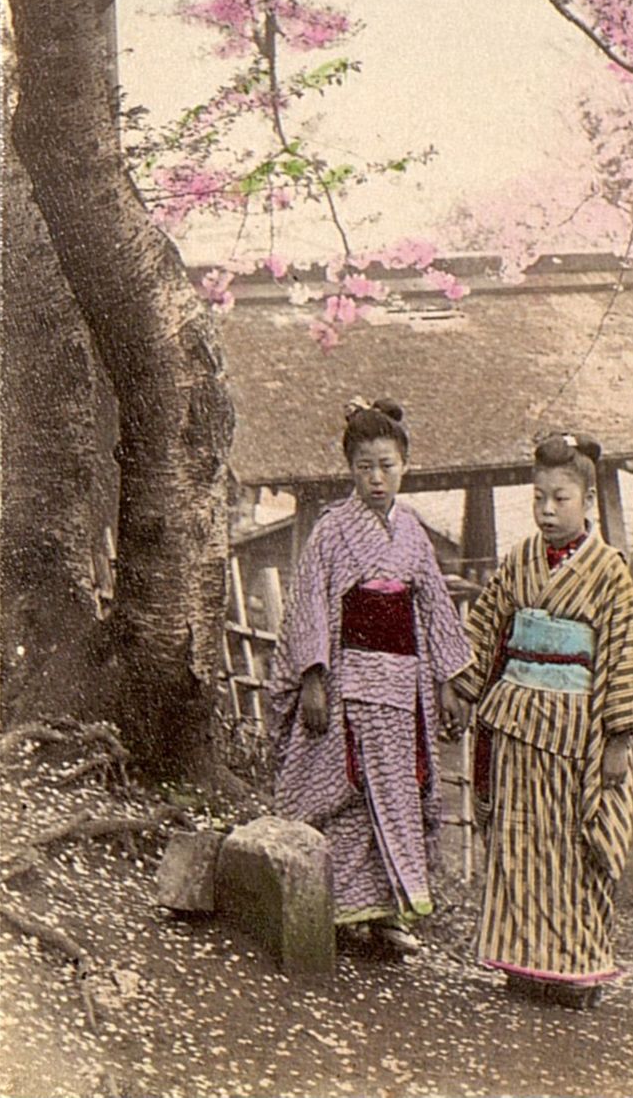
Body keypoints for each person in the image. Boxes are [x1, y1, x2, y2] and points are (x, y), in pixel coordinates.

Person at [456, 432, 633, 1007]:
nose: (546, 510)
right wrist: (462, 691)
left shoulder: (610, 571)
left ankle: (574, 970)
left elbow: (622, 654)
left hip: (576, 733)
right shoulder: (517, 560)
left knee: (572, 853)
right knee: (517, 847)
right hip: (517, 723)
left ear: (587, 502)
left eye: (560, 499)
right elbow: (485, 629)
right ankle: (522, 965)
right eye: (538, 498)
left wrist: (618, 739)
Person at [267, 397, 472, 956]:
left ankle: (386, 915)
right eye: (364, 467)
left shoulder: (412, 532)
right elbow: (309, 601)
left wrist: (448, 682)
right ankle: (333, 907)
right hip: (349, 683)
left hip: (404, 687)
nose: (376, 478)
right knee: (346, 791)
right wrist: (313, 676)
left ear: (404, 464)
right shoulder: (332, 532)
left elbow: (432, 604)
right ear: (350, 469)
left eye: (387, 465)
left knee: (401, 794)